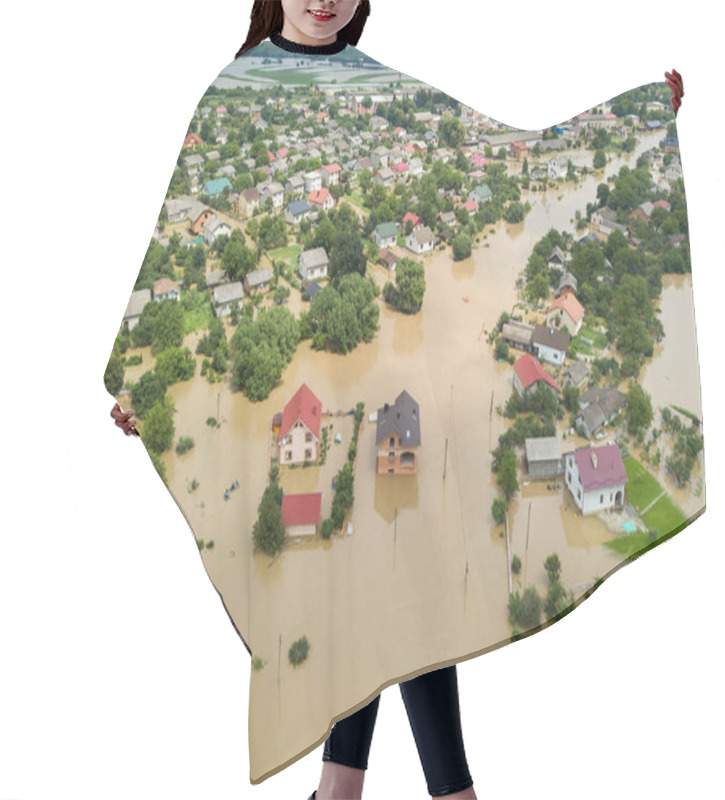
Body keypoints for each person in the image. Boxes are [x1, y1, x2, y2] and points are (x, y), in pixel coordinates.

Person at [109, 2, 685, 797]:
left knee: (396, 576)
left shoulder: (381, 89)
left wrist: (636, 121)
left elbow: (507, 156)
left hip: (388, 390)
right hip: (305, 388)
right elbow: (189, 241)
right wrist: (151, 380)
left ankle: (348, 789)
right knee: (362, 581)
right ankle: (434, 791)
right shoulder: (236, 91)